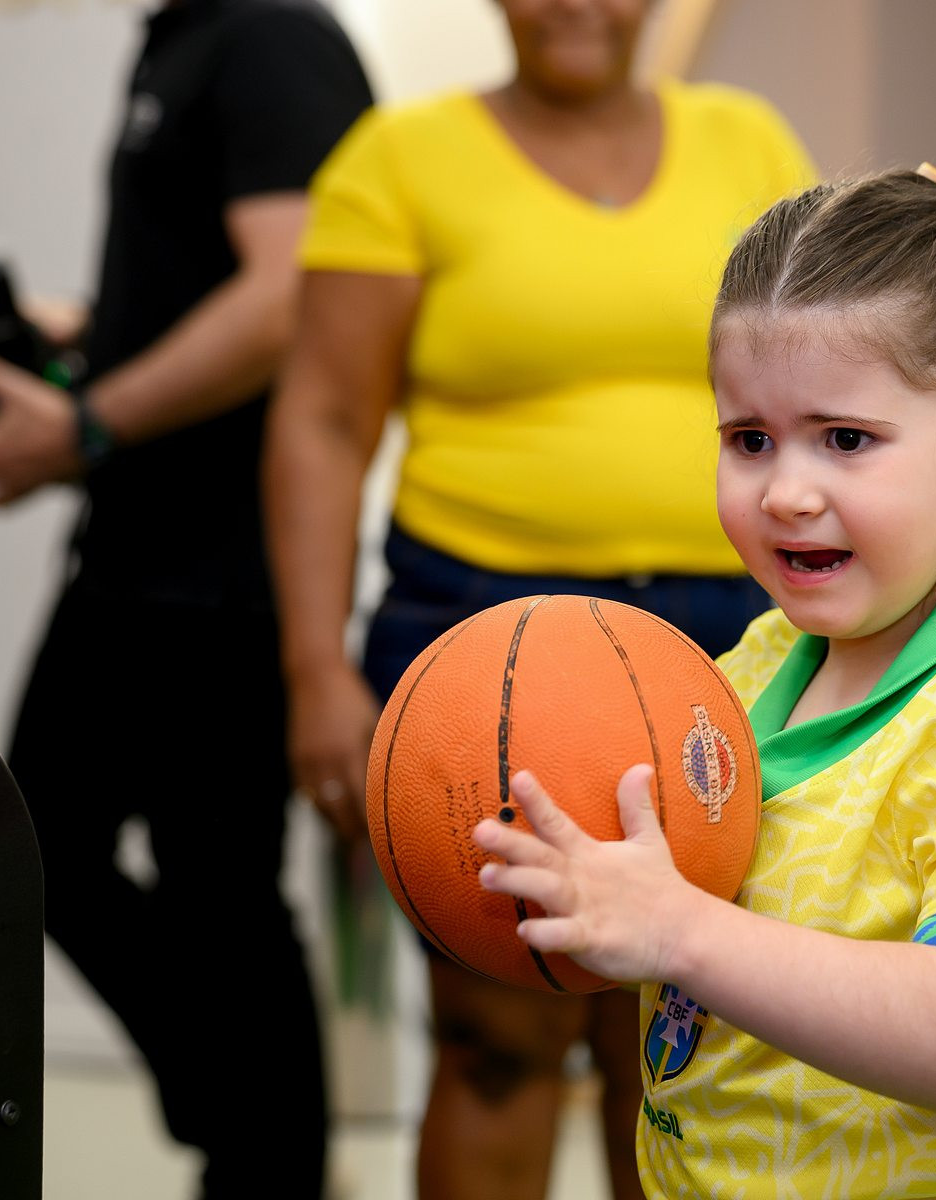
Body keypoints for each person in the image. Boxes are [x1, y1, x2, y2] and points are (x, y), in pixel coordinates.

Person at [473, 136, 936, 1200]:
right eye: (749, 439)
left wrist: (680, 930)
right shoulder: (754, 665)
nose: (786, 492)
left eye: (843, 439)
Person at [263, 1, 813, 1196]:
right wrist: (314, 667)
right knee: (498, 1039)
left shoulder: (748, 141)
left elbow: (834, 381)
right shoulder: (400, 159)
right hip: (479, 640)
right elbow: (323, 419)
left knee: (677, 1042)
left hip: (724, 640)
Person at [0, 2, 374, 1194]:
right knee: (58, 843)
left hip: (225, 561)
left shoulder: (270, 36)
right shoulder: (180, 38)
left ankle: (257, 1147)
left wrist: (87, 424)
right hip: (139, 549)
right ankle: (246, 1126)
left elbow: (288, 297)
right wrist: (93, 337)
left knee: (202, 887)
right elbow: (211, 283)